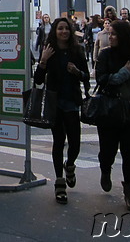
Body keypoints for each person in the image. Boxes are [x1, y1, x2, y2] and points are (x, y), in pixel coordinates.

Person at [94, 20, 130, 212]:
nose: (110, 37)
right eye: (109, 34)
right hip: (110, 110)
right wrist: (123, 73)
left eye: (114, 34)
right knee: (108, 150)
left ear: (124, 36)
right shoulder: (105, 54)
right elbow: (102, 80)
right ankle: (105, 169)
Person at [35, 17, 89, 204]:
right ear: (55, 31)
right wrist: (43, 61)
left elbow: (86, 77)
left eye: (67, 28)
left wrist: (77, 72)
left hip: (72, 101)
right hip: (55, 102)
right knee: (58, 142)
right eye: (60, 29)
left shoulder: (77, 51)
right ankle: (59, 182)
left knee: (75, 143)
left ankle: (70, 165)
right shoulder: (49, 51)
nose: (64, 32)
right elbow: (38, 80)